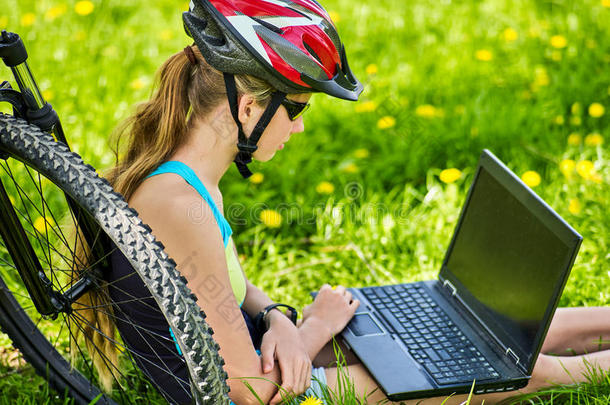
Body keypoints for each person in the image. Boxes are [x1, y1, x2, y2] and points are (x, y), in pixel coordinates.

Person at [100, 0, 610, 404]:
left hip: (267, 355)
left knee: (479, 325)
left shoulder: (189, 177)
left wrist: (279, 317)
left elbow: (227, 287)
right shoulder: (179, 203)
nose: (299, 126)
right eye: (296, 109)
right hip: (277, 392)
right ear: (250, 107)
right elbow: (249, 394)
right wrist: (313, 329)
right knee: (510, 371)